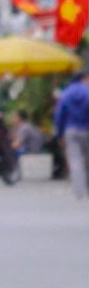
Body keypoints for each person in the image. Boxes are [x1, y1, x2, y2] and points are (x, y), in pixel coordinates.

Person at [54, 71, 89, 199]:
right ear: (84, 78)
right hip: (86, 129)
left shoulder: (66, 93)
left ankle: (79, 191)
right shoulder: (87, 91)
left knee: (75, 161)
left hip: (71, 130)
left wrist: (60, 134)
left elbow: (59, 116)